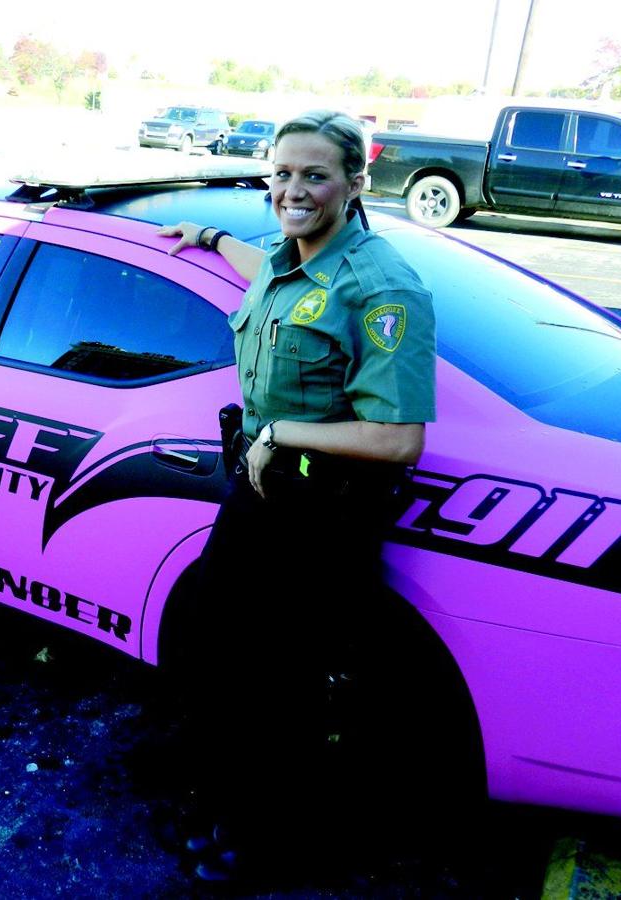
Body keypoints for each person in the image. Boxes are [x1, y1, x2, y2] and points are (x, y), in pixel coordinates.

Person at [157, 110, 437, 885]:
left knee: (279, 685)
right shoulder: (292, 258)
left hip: (322, 518)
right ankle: (224, 802)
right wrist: (209, 239)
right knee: (219, 658)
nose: (293, 188)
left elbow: (398, 438)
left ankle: (259, 841)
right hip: (260, 500)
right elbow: (275, 281)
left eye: (315, 175)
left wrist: (280, 432)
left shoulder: (383, 288)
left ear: (356, 183)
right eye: (281, 173)